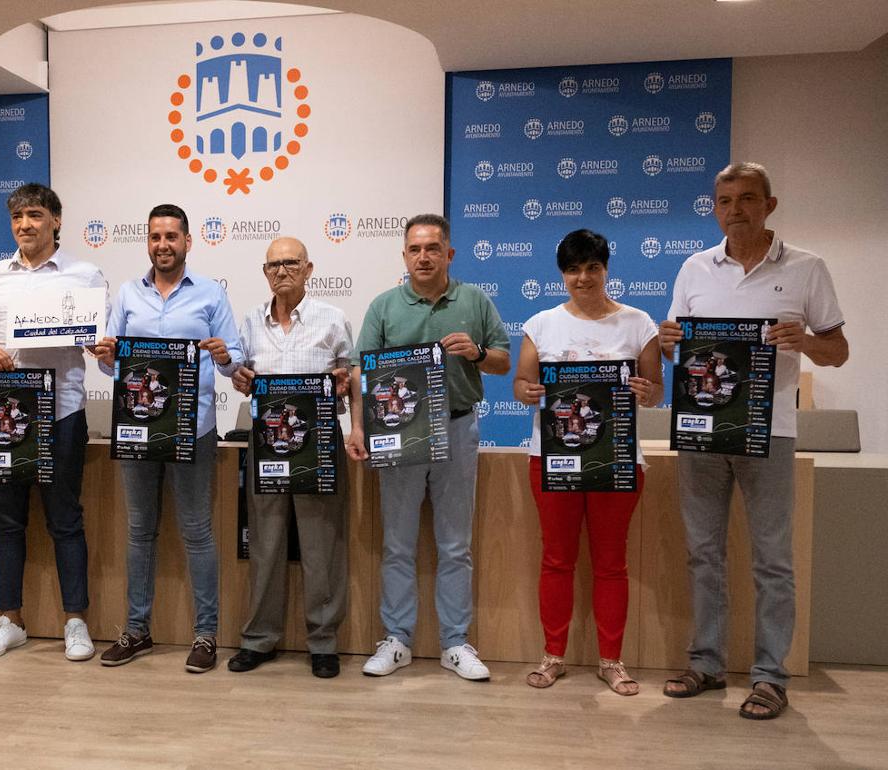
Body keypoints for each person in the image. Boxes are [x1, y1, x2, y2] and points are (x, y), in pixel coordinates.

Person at [659, 163, 848, 719]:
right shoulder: (694, 267)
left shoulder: (807, 267)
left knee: (772, 560)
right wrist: (668, 341)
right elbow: (674, 347)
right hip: (701, 431)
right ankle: (707, 664)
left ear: (770, 204)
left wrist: (806, 341)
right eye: (725, 200)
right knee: (703, 553)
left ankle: (770, 677)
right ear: (714, 208)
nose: (735, 209)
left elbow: (838, 352)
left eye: (747, 198)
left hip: (771, 432)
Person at [346, 214, 510, 679]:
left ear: (449, 254)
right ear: (404, 255)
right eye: (415, 249)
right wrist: (358, 427)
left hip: (457, 427)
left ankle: (455, 643)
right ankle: (397, 639)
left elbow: (503, 361)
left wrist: (477, 352)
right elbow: (360, 371)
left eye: (433, 248)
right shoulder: (383, 306)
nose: (423, 257)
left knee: (455, 545)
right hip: (399, 434)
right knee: (397, 543)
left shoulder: (474, 300)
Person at [89, 204, 243, 673]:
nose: (163, 245)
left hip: (193, 430)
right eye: (155, 237)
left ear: (187, 242)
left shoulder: (211, 293)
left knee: (197, 532)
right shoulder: (127, 294)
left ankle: (206, 635)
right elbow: (110, 364)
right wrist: (106, 356)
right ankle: (137, 630)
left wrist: (224, 356)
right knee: (140, 531)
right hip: (137, 428)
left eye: (171, 237)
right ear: (148, 242)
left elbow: (234, 361)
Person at [512, 228, 662, 695]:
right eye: (573, 269)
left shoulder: (639, 323)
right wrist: (528, 392)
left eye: (592, 267)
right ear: (562, 274)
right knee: (556, 559)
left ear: (606, 269)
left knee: (612, 563)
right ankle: (553, 655)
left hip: (615, 457)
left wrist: (646, 391)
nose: (583, 278)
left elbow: (656, 391)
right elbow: (520, 385)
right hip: (552, 457)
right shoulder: (541, 324)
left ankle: (611, 660)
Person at [0, 183, 105, 662]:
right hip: (4, 413)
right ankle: (10, 620)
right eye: (18, 217)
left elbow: (101, 343)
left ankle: (75, 622)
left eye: (35, 215)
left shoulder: (85, 275)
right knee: (7, 523)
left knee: (65, 521)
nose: (25, 225)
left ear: (56, 220)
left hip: (62, 413)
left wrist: (100, 345)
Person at [228, 237, 354, 679]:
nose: (281, 271)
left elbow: (349, 376)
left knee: (322, 545)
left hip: (318, 442)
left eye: (291, 263)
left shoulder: (333, 318)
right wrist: (240, 379)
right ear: (265, 273)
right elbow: (241, 375)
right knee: (264, 543)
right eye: (273, 265)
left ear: (308, 269)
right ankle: (259, 639)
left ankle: (323, 642)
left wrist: (343, 382)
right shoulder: (250, 320)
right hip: (266, 442)